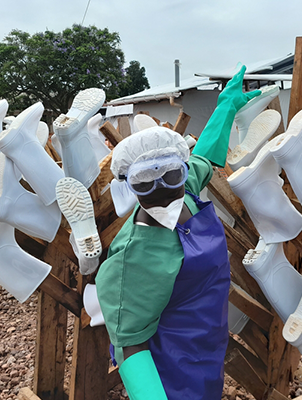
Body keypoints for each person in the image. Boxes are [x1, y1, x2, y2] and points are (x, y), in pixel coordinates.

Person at [95, 65, 261, 399]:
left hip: (207, 344)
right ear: (129, 185)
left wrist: (226, 105)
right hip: (169, 367)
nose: (161, 191)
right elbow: (129, 344)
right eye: (145, 182)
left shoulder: (186, 193)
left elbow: (204, 156)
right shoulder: (133, 255)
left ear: (182, 171)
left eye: (170, 175)